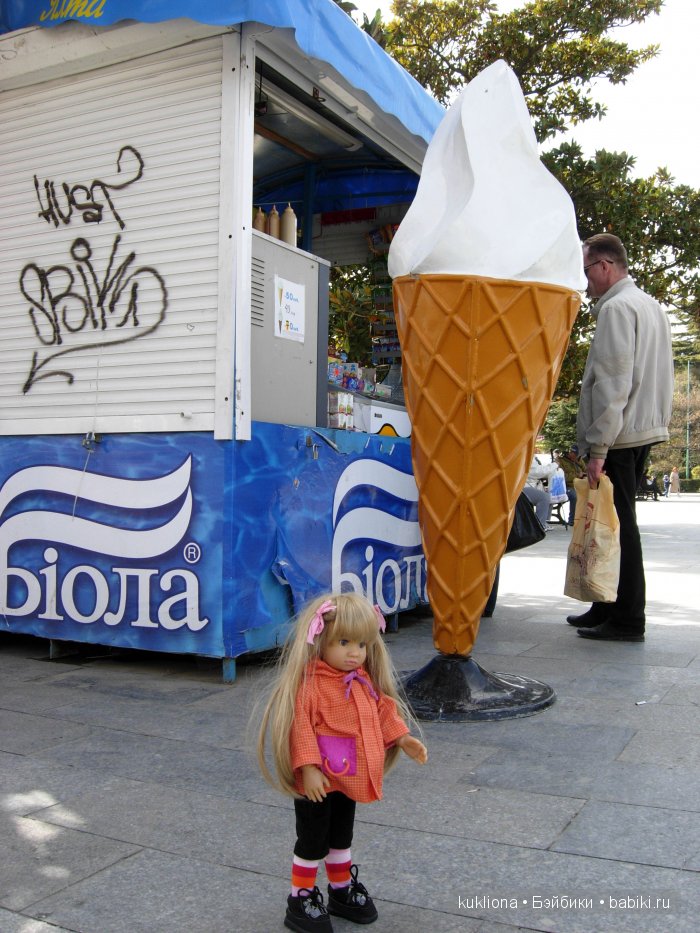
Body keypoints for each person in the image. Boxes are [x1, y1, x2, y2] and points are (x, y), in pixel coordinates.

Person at [256, 593, 427, 932]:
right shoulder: (310, 686)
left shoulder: (362, 681)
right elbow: (300, 727)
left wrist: (402, 738)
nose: (355, 653)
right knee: (311, 840)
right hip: (316, 783)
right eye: (344, 642)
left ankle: (340, 890)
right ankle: (300, 896)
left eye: (362, 644)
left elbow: (383, 711)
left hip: (346, 778)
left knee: (341, 836)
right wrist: (308, 766)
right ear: (320, 639)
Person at [568, 233, 673, 643]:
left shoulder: (615, 308)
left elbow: (613, 383)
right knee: (611, 523)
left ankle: (628, 619)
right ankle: (604, 605)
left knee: (619, 527)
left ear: (606, 266)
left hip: (620, 435)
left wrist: (598, 447)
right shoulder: (648, 305)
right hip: (639, 429)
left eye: (587, 271)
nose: (586, 281)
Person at [523, 455, 558, 528]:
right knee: (544, 497)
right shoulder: (526, 453)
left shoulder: (530, 454)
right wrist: (554, 465)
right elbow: (536, 472)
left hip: (531, 484)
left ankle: (544, 522)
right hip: (523, 487)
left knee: (550, 497)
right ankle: (539, 526)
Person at [557, 445, 586, 524]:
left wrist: (578, 462)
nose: (577, 456)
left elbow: (586, 470)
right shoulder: (560, 461)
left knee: (591, 494)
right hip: (567, 486)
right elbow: (562, 477)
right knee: (574, 496)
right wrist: (577, 475)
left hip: (580, 485)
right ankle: (572, 520)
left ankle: (585, 518)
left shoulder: (579, 460)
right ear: (570, 452)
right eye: (575, 454)